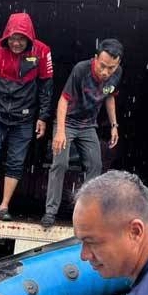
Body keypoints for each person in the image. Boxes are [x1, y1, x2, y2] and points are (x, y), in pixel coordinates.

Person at [0, 12, 53, 221]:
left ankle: (4, 206)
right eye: (12, 38)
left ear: (29, 38)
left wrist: (43, 117)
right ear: (6, 36)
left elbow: (47, 88)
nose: (16, 43)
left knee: (16, 161)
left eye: (21, 38)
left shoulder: (42, 52)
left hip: (25, 116)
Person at [42, 39, 123, 228]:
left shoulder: (117, 74)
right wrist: (60, 132)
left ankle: (86, 214)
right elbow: (63, 100)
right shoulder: (81, 69)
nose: (105, 72)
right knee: (60, 163)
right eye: (102, 66)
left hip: (88, 125)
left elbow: (110, 96)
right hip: (67, 121)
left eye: (111, 68)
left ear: (117, 64)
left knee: (95, 164)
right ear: (95, 58)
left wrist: (114, 125)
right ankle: (50, 212)